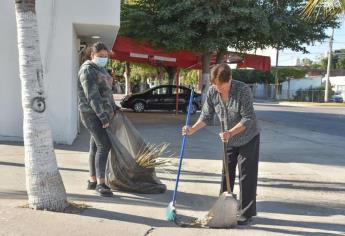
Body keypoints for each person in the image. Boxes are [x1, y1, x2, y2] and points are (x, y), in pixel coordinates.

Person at [182, 63, 260, 225]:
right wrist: (192, 129)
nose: (218, 89)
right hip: (228, 138)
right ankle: (224, 207)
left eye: (221, 85)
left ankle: (246, 212)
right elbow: (206, 116)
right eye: (215, 85)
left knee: (246, 174)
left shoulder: (243, 90)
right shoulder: (212, 92)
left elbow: (248, 118)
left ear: (230, 78)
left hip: (248, 136)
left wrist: (231, 132)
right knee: (226, 173)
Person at [77, 42, 118, 197]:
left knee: (95, 147)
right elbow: (92, 97)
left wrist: (114, 107)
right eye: (100, 56)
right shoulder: (87, 70)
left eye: (106, 56)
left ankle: (92, 180)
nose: (103, 59)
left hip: (102, 114)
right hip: (92, 115)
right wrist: (103, 118)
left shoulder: (100, 69)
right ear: (92, 55)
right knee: (104, 146)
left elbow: (107, 92)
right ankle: (101, 184)